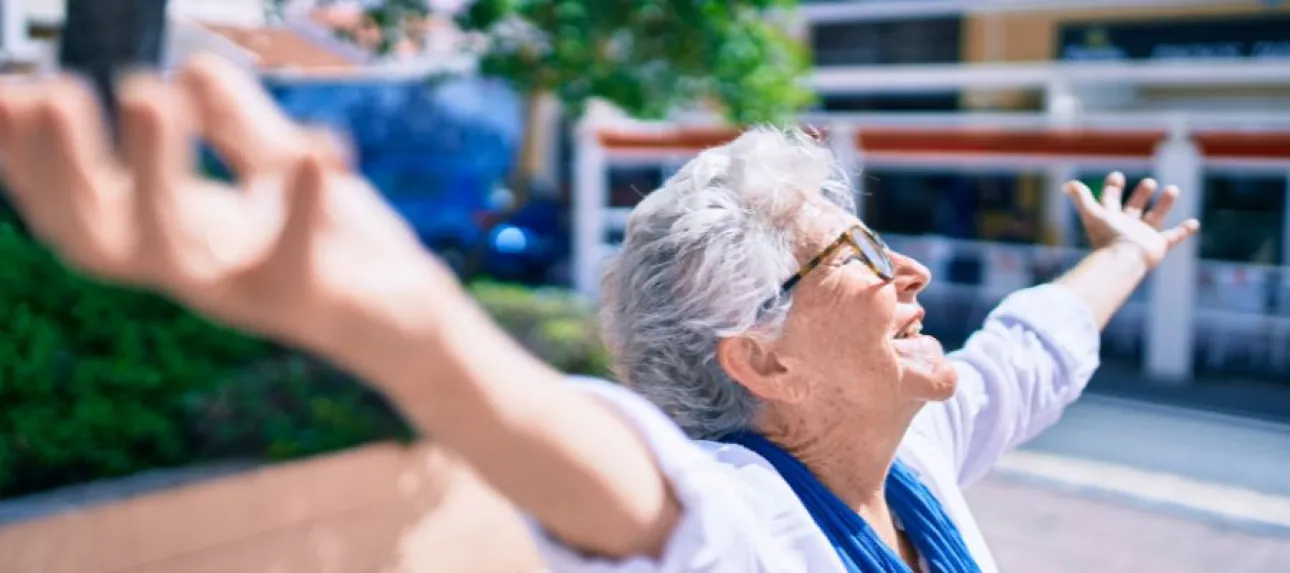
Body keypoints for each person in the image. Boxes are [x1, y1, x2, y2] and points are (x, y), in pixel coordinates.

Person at [0, 56, 1199, 573]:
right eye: (856, 254)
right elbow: (621, 488)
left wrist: (1126, 258)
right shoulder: (737, 520)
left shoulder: (914, 451)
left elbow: (1029, 352)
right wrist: (410, 328)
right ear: (758, 361)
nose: (911, 278)